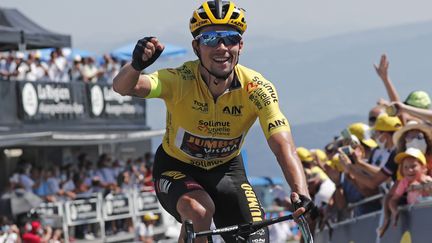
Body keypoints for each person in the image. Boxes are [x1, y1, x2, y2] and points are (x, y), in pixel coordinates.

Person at [113, 1, 314, 242]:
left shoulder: (257, 88)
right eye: (210, 39)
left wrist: (301, 192)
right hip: (176, 167)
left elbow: (283, 145)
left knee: (257, 238)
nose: (222, 47)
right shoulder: (180, 80)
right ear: (196, 47)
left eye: (229, 38)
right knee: (199, 211)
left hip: (227, 170)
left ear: (240, 45)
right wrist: (136, 67)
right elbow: (123, 87)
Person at [388, 148, 432, 227]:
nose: (409, 170)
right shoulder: (404, 182)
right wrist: (395, 211)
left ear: (423, 167)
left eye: (413, 166)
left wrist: (423, 185)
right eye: (406, 167)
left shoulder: (428, 180)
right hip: (414, 218)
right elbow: (393, 200)